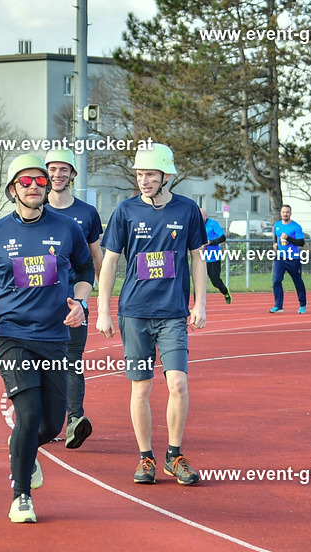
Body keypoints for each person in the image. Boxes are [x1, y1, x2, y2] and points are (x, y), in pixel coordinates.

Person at [0, 154, 94, 523]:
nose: (34, 187)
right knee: (29, 413)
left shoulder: (68, 229)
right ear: (11, 189)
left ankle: (21, 448)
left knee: (50, 426)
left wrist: (81, 302)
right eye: (26, 182)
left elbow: (85, 269)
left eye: (40, 181)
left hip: (55, 335)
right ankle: (21, 496)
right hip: (12, 334)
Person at [95, 142, 206, 486]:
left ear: (166, 176)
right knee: (141, 388)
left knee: (178, 384)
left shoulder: (187, 210)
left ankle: (174, 455)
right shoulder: (125, 211)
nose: (144, 180)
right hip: (135, 315)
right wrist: (103, 311)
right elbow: (110, 261)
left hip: (173, 314)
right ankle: (146, 458)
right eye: (140, 174)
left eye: (150, 174)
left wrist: (200, 303)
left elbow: (198, 258)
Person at [44, 148, 103, 449]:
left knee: (72, 362)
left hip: (74, 303)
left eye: (63, 169)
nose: (58, 174)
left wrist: (100, 299)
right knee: (40, 364)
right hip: (39, 304)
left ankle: (75, 421)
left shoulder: (87, 213)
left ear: (73, 174)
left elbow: (96, 258)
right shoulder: (33, 209)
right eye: (52, 169)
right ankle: (46, 421)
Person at [270, 204, 308, 313]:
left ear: (290, 213)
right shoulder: (277, 225)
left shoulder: (296, 227)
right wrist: (275, 244)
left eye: (287, 212)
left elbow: (301, 242)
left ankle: (302, 304)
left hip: (293, 259)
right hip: (280, 258)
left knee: (297, 282)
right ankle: (278, 305)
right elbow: (276, 237)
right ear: (280, 213)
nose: (285, 214)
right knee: (276, 281)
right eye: (283, 212)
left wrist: (288, 238)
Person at [201, 206, 232, 304]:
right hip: (200, 258)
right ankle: (197, 305)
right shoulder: (195, 225)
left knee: (215, 281)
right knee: (199, 283)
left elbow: (222, 238)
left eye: (201, 216)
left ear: (206, 216)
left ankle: (225, 292)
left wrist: (210, 242)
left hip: (213, 257)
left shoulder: (213, 224)